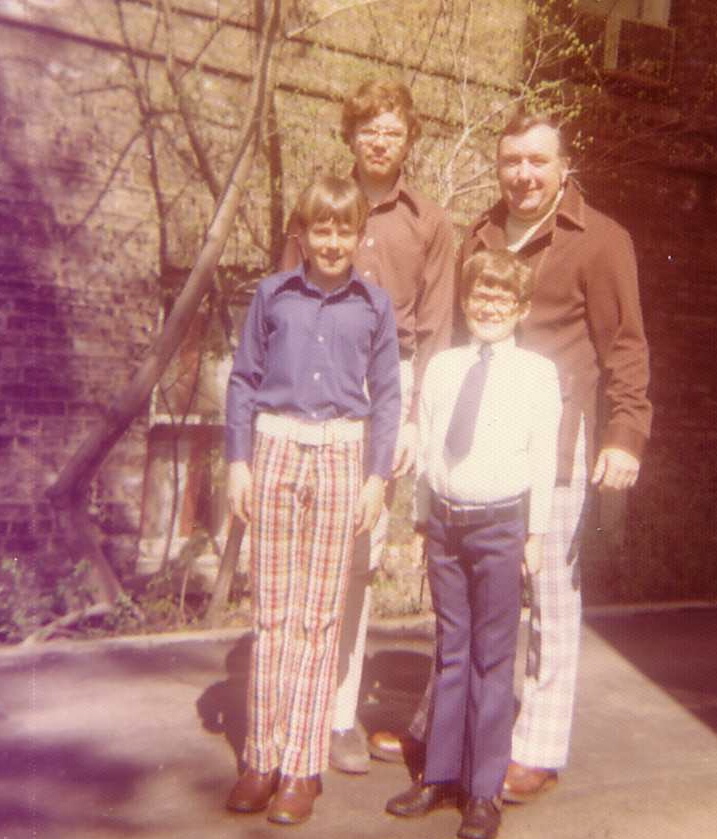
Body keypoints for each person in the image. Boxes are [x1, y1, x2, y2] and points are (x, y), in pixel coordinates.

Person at [370, 111, 652, 803]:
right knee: (462, 598)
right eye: (510, 162)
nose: (522, 175)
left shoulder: (601, 240)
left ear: (563, 168)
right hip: (478, 439)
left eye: (536, 161)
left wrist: (624, 433)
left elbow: (624, 345)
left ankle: (537, 746)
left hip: (552, 442)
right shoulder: (482, 233)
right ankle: (440, 724)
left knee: (548, 597)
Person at [281, 78, 455, 774]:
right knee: (300, 546)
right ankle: (289, 698)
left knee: (358, 550)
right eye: (368, 129)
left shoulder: (430, 222)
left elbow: (438, 328)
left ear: (408, 139)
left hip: (391, 386)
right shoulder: (320, 206)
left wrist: (414, 416)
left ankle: (337, 713)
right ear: (349, 136)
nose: (380, 141)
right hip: (315, 380)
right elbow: (281, 304)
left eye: (393, 130)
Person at [224, 175, 401, 825]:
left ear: (359, 236)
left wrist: (377, 479)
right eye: (320, 229)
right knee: (271, 613)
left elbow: (387, 398)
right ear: (302, 234)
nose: (331, 242)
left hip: (339, 457)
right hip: (273, 450)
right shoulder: (271, 295)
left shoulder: (374, 305)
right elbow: (242, 379)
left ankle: (301, 764)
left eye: (343, 230)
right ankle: (260, 758)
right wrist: (237, 462)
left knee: (319, 617)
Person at [385, 249, 561, 839]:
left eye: (502, 298)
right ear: (467, 301)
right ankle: (437, 776)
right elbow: (431, 451)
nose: (490, 306)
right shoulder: (444, 367)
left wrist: (535, 536)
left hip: (503, 527)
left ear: (521, 308)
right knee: (450, 650)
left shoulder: (536, 374)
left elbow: (542, 460)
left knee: (493, 658)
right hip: (447, 525)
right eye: (481, 296)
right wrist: (420, 522)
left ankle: (483, 793)